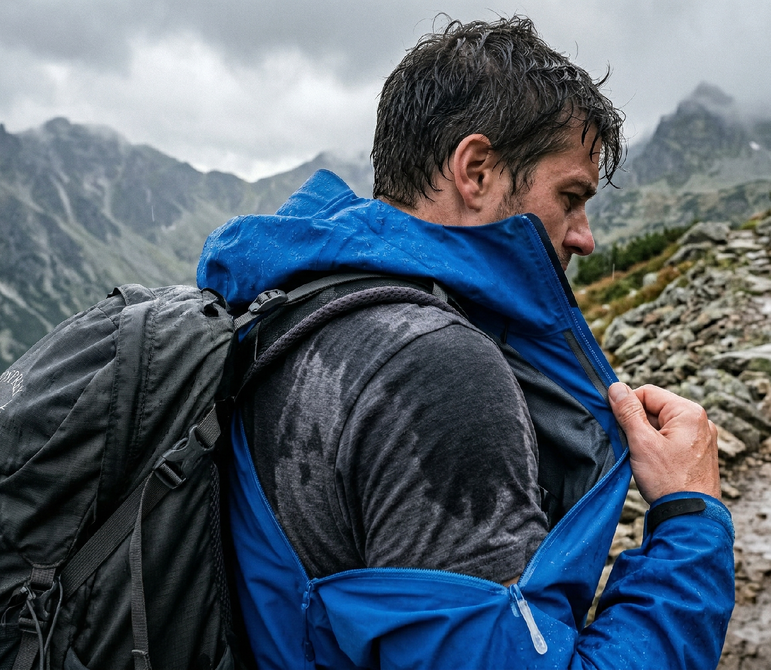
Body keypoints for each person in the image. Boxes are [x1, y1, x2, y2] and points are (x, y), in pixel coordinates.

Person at [197, 15, 734, 669]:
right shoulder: (436, 370)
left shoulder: (289, 301)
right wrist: (688, 517)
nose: (585, 236)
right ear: (476, 171)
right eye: (570, 197)